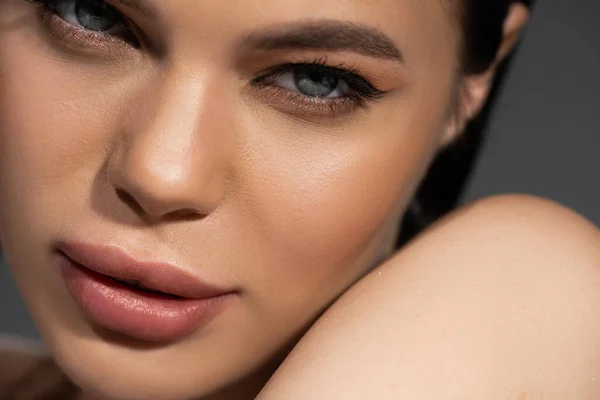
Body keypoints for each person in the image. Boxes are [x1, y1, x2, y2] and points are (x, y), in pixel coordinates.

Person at [1, 0, 600, 399]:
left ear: (475, 83)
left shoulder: (533, 284)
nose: (161, 175)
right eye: (94, 16)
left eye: (316, 78)